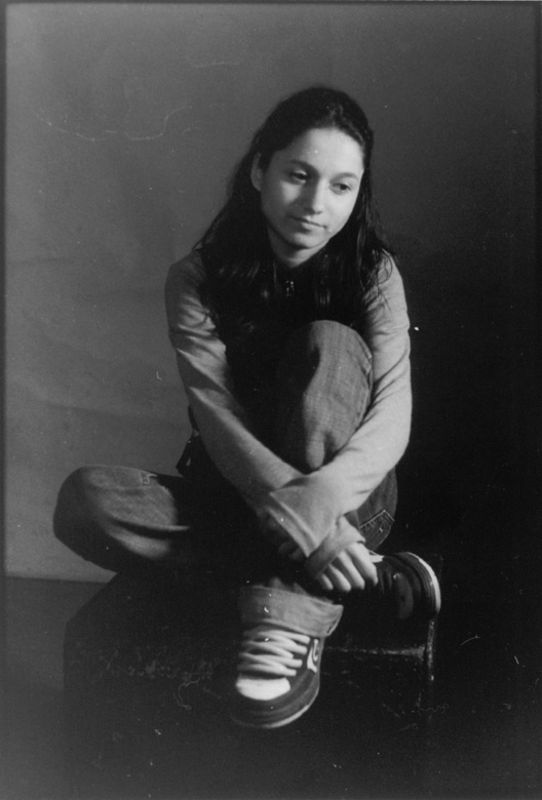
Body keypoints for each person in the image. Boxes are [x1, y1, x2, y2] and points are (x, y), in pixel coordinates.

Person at [54, 86, 441, 730]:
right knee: (85, 502)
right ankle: (363, 578)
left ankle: (286, 614)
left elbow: (393, 416)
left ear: (358, 193)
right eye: (299, 175)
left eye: (342, 186)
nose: (316, 205)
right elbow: (217, 418)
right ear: (260, 169)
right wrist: (311, 534)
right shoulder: (195, 278)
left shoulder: (374, 272)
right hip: (240, 494)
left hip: (351, 502)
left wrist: (319, 514)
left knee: (330, 343)